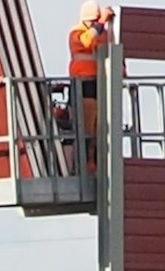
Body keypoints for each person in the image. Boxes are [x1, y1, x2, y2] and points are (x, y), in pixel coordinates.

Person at [65, 2, 111, 170]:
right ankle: (82, 165)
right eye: (93, 20)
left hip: (99, 85)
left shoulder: (102, 34)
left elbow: (113, 49)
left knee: (99, 128)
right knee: (85, 128)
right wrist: (99, 25)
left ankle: (96, 164)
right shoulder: (76, 33)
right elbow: (85, 42)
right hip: (82, 86)